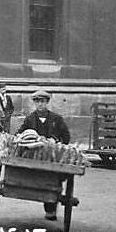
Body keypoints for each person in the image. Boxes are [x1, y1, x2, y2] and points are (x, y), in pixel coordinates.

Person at [17, 89, 70, 220]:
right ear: (34, 103)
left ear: (47, 103)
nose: (40, 104)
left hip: (50, 155)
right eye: (37, 102)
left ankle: (50, 208)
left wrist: (55, 139)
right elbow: (19, 133)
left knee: (51, 178)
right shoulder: (30, 119)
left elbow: (66, 136)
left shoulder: (56, 119)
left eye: (43, 101)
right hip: (33, 155)